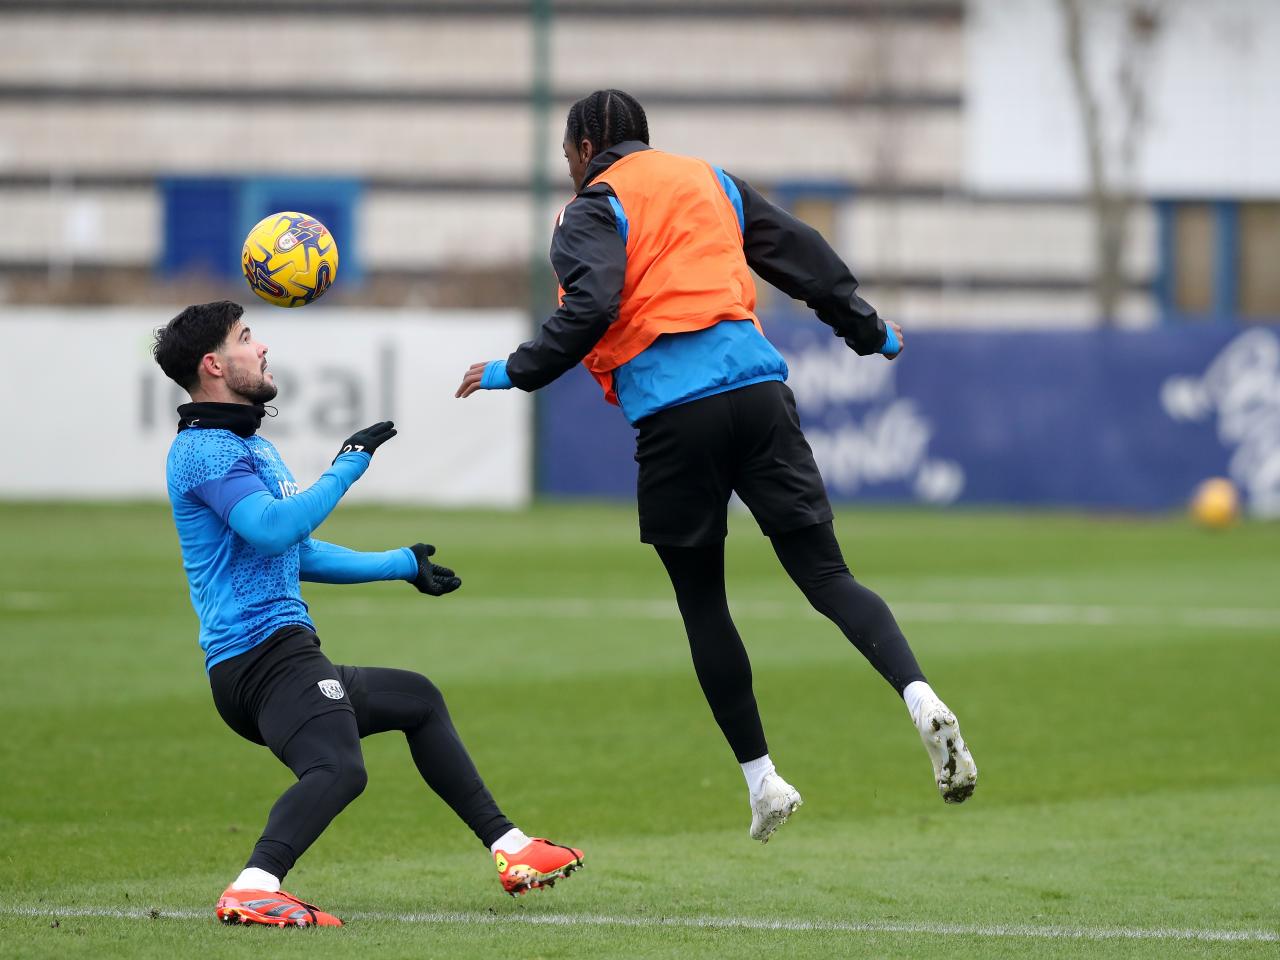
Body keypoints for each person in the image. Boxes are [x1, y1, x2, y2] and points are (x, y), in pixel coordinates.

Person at [457, 89, 977, 844]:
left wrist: (515, 370)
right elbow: (803, 255)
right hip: (760, 394)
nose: (568, 168)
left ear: (584, 149)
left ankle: (764, 781)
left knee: (704, 603)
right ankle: (919, 694)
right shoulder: (709, 179)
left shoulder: (591, 207)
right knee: (827, 575)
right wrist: (871, 332)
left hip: (677, 414)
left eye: (567, 155)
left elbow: (592, 304)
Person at [154, 300, 584, 927]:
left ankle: (512, 848)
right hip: (259, 657)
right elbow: (272, 529)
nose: (262, 347)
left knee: (417, 699)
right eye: (246, 337)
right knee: (338, 769)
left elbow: (296, 551)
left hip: (278, 653)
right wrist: (347, 466)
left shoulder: (249, 446)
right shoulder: (203, 450)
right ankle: (253, 885)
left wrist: (401, 564)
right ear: (213, 365)